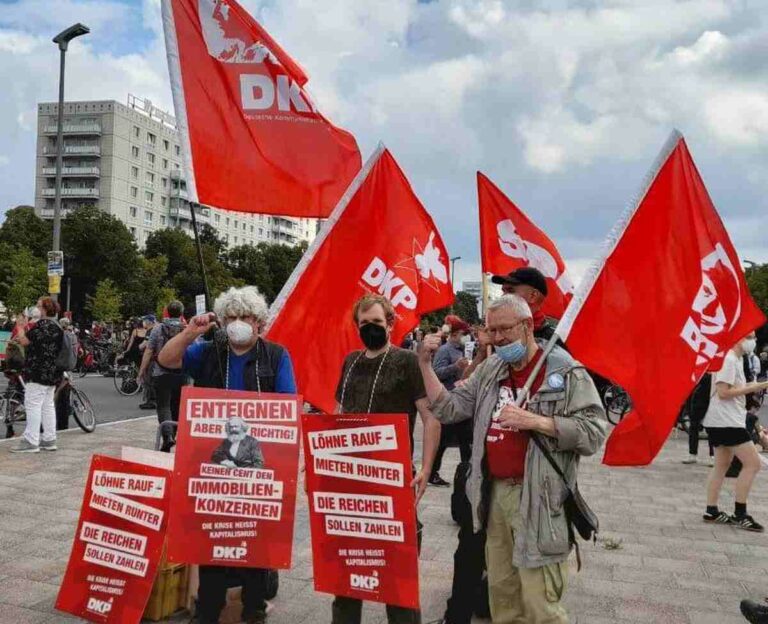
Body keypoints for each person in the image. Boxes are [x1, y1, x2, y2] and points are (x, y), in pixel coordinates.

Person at [418, 294, 606, 623]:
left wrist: (537, 422)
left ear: (527, 325)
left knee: (540, 603)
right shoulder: (492, 368)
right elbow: (449, 408)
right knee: (502, 596)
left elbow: (593, 432)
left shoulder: (564, 371)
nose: (498, 338)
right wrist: (423, 365)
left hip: (539, 497)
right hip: (495, 495)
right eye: (492, 331)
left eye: (504, 329)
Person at [158, 285, 296, 624]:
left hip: (254, 465)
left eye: (245, 317)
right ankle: (208, 609)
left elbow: (288, 408)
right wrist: (190, 332)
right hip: (212, 466)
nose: (238, 323)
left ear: (259, 321)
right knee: (211, 539)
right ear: (222, 321)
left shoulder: (276, 356)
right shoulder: (208, 351)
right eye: (231, 317)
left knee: (255, 543)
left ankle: (253, 610)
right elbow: (167, 359)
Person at [331, 293, 441, 624]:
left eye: (377, 323)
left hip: (392, 479)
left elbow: (430, 418)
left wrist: (425, 467)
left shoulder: (406, 361)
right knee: (346, 573)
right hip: (350, 479)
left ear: (390, 323)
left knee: (398, 576)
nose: (370, 329)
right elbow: (337, 413)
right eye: (364, 324)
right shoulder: (350, 361)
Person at [702, 332, 768, 531]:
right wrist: (751, 389)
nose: (752, 341)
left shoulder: (736, 359)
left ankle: (711, 510)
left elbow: (735, 387)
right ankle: (740, 513)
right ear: (737, 337)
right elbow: (723, 392)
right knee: (753, 464)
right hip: (726, 421)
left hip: (723, 419)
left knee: (722, 465)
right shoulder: (729, 359)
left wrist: (760, 384)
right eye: (749, 336)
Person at [11, 297, 64, 453]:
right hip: (53, 372)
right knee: (48, 406)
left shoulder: (41, 326)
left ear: (45, 309)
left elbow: (24, 341)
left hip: (37, 372)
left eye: (39, 306)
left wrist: (20, 326)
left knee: (33, 406)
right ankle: (49, 439)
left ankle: (31, 441)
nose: (36, 308)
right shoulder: (57, 327)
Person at [429, 315, 472, 487]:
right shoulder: (445, 350)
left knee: (465, 441)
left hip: (462, 401)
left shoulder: (462, 350)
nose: (465, 336)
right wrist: (455, 367)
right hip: (449, 402)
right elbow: (436, 372)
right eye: (463, 333)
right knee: (442, 442)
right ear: (454, 334)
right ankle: (432, 472)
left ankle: (467, 473)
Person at [139, 301, 187, 451]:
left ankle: (167, 437)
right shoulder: (185, 329)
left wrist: (142, 370)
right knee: (177, 406)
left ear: (167, 311)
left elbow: (148, 350)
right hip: (181, 373)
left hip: (161, 372)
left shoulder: (158, 328)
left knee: (163, 405)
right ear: (181, 313)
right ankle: (173, 434)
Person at [682, 374, 714, 465]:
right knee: (693, 427)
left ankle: (713, 456)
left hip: (710, 399)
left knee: (711, 429)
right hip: (696, 400)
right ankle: (692, 454)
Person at [55, 317, 78, 431]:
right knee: (65, 397)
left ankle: (59, 424)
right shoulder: (73, 335)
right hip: (70, 368)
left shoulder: (62, 335)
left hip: (61, 367)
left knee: (58, 397)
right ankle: (64, 425)